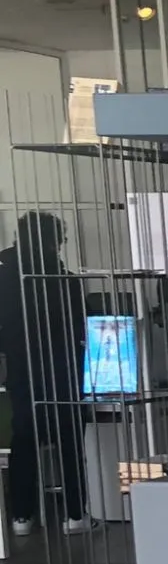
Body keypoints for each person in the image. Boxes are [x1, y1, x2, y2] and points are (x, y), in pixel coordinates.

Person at [0, 212, 88, 536]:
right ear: (53, 242)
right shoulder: (64, 281)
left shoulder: (5, 276)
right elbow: (79, 330)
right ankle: (75, 515)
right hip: (62, 373)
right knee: (69, 438)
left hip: (20, 373)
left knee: (23, 438)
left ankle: (21, 517)